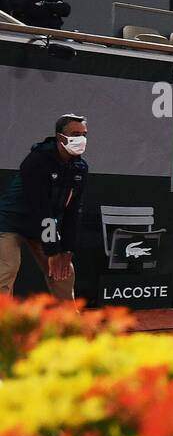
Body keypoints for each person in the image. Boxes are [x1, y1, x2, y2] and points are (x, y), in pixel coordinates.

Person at [0, 115, 88, 301]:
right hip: (10, 222)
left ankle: (70, 323)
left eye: (84, 134)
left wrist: (66, 251)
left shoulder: (80, 168)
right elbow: (40, 207)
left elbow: (73, 212)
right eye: (75, 134)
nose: (80, 139)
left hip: (41, 225)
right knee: (8, 268)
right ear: (59, 137)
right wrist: (52, 250)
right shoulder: (37, 161)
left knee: (64, 270)